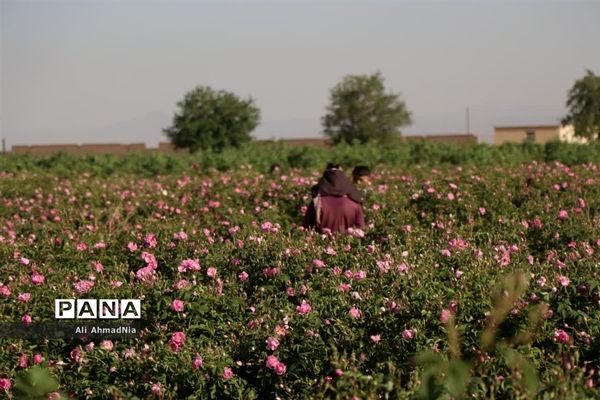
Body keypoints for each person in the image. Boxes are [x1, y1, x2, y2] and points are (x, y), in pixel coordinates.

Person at [302, 163, 365, 233]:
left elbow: (306, 229)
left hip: (321, 242)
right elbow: (360, 229)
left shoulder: (317, 202)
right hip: (347, 242)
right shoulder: (355, 203)